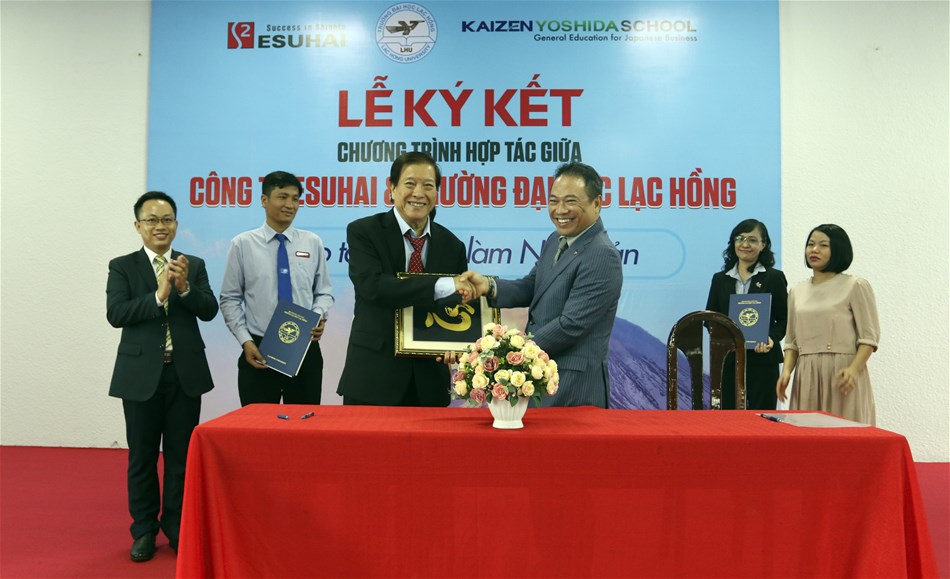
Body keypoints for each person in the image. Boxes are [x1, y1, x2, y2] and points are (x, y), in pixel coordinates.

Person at [107, 191, 218, 561]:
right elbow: (116, 313)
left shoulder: (193, 265)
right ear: (138, 225)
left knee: (180, 458)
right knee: (141, 457)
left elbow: (209, 310)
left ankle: (176, 527)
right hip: (140, 376)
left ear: (176, 224)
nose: (160, 226)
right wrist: (158, 295)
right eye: (152, 220)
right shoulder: (122, 266)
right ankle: (143, 530)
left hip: (184, 374)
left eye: (167, 219)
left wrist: (184, 288)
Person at [460, 162, 623, 408]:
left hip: (573, 387)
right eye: (553, 201)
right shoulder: (556, 240)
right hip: (542, 377)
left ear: (597, 204)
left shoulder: (601, 254)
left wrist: (511, 351)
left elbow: (571, 324)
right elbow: (531, 286)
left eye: (570, 201)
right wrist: (488, 286)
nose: (560, 210)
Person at [337, 151, 471, 406]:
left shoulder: (453, 246)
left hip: (429, 381)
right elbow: (373, 287)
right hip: (373, 376)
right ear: (392, 187)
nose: (419, 193)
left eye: (428, 186)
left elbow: (453, 308)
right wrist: (441, 285)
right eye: (410, 183)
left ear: (437, 193)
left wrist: (455, 344)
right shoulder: (364, 231)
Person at [220, 170, 333, 406]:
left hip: (304, 348)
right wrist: (245, 341)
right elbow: (230, 298)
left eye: (295, 199)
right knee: (258, 425)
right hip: (258, 349)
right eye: (282, 197)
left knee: (304, 423)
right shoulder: (242, 244)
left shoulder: (312, 242)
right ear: (264, 200)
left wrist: (317, 317)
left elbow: (324, 292)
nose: (290, 205)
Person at [777, 224, 879, 425]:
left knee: (846, 433)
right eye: (810, 244)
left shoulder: (855, 285)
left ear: (838, 249)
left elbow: (869, 338)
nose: (814, 250)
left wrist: (853, 370)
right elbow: (791, 342)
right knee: (807, 434)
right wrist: (787, 372)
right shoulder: (797, 291)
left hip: (842, 372)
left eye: (823, 245)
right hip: (806, 374)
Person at [705, 219, 788, 410]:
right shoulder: (720, 279)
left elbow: (784, 319)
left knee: (761, 418)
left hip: (763, 361)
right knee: (729, 419)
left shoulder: (774, 278)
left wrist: (771, 338)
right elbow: (710, 318)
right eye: (740, 238)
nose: (745, 244)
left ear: (763, 244)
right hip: (729, 361)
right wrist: (723, 337)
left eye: (752, 239)